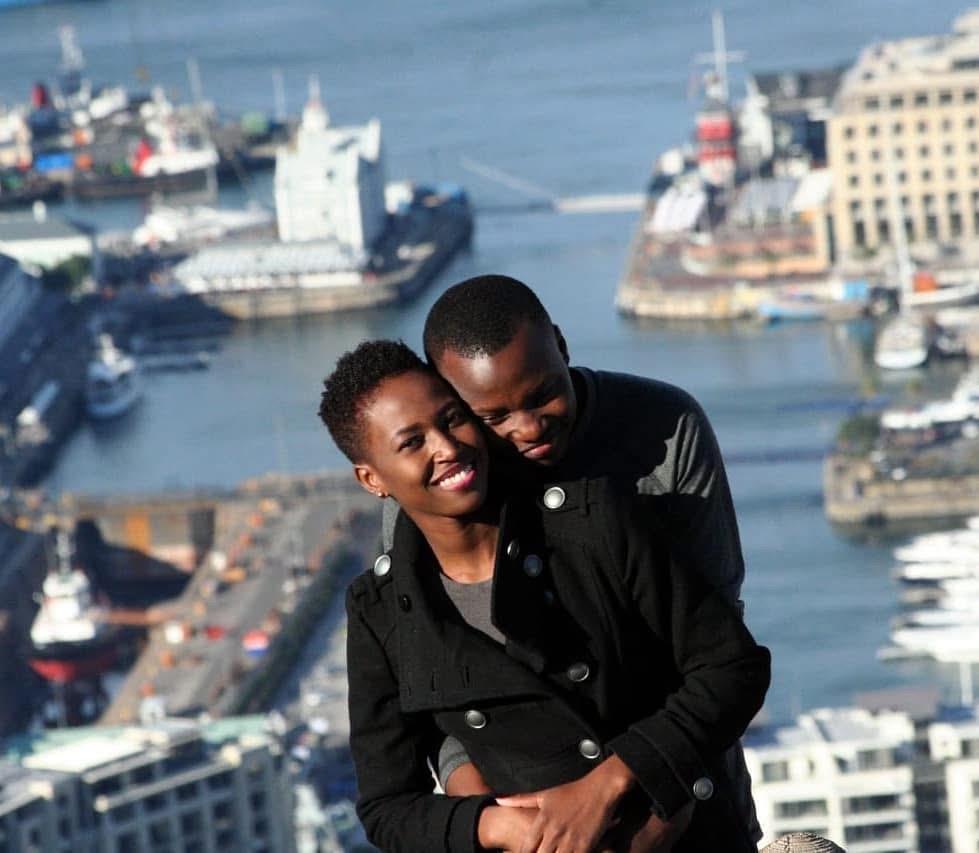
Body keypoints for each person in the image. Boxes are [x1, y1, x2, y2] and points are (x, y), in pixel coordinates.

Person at [319, 339, 770, 853]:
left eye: (452, 419)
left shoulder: (592, 525)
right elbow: (387, 806)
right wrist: (501, 828)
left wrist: (610, 785)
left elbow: (733, 668)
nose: (446, 447)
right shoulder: (380, 611)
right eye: (412, 442)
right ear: (371, 479)